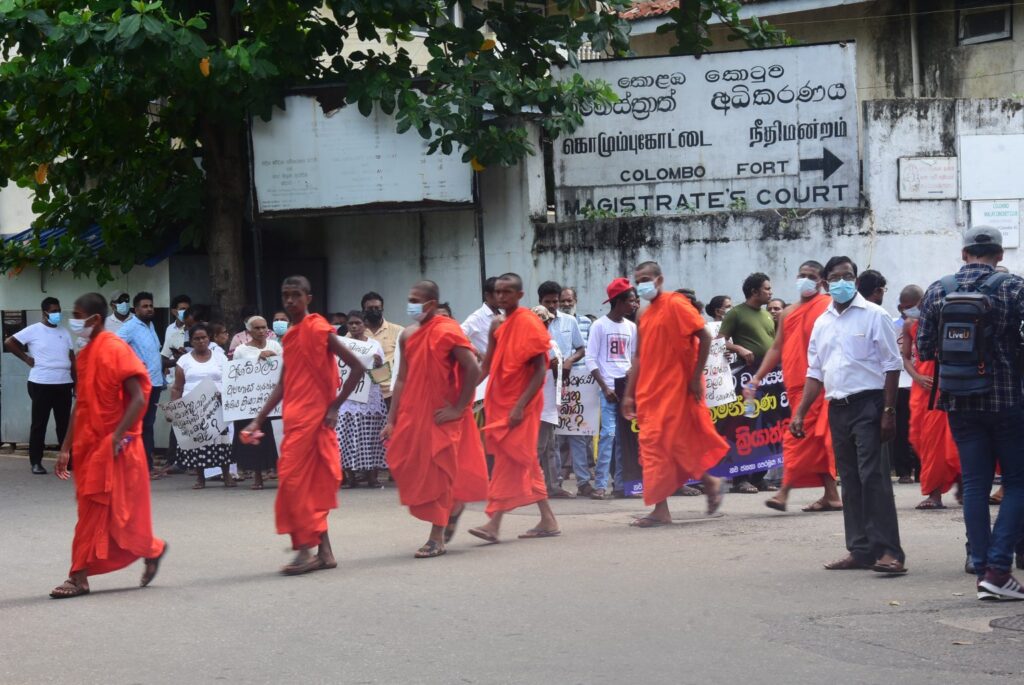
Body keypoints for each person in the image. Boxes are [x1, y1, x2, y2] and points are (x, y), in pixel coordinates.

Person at [916, 227, 1024, 599]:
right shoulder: (1013, 288)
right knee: (1017, 482)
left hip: (958, 399)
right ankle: (998, 569)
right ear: (999, 254)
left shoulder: (938, 289)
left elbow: (926, 349)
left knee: (975, 485)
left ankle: (982, 569)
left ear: (964, 254)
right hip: (1007, 398)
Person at [790, 256, 907, 575]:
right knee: (851, 480)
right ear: (825, 284)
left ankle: (889, 551)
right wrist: (801, 412)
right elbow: (815, 371)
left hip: (870, 404)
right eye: (836, 277)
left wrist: (888, 411)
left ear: (855, 280)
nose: (843, 282)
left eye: (849, 276)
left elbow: (891, 366)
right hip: (837, 407)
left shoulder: (874, 315)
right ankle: (860, 549)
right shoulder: (823, 322)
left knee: (874, 478)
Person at [244, 275, 365, 575]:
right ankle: (323, 553)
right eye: (285, 295)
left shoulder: (319, 329)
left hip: (315, 420)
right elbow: (284, 382)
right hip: (295, 420)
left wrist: (335, 406)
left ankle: (304, 552)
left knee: (296, 485)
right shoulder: (292, 335)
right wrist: (258, 418)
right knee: (302, 486)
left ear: (309, 298)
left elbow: (357, 366)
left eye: (296, 295)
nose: (289, 301)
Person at [48, 292, 166, 598]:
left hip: (116, 446)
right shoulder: (85, 355)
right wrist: (65, 447)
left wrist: (117, 436)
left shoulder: (115, 348)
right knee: (108, 515)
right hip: (90, 448)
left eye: (77, 314)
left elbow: (139, 397)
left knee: (105, 513)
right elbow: (81, 405)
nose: (73, 321)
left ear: (95, 319)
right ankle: (151, 549)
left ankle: (78, 577)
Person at [382, 281, 488, 558]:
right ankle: (453, 509)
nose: (411, 305)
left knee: (439, 473)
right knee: (410, 466)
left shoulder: (447, 330)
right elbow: (402, 378)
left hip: (443, 415)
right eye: (409, 299)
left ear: (431, 303)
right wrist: (392, 418)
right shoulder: (407, 334)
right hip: (415, 414)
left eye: (416, 300)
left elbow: (473, 367)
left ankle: (436, 537)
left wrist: (458, 407)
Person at [621, 261, 728, 526]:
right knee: (659, 447)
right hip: (650, 392)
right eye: (638, 279)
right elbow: (639, 356)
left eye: (646, 278)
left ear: (659, 279)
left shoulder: (676, 304)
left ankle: (663, 508)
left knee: (666, 444)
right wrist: (629, 394)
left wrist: (695, 377)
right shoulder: (644, 314)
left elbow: (704, 336)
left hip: (677, 388)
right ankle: (706, 484)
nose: (642, 284)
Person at [468, 273, 561, 542]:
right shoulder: (496, 324)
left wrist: (520, 406)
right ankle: (547, 519)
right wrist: (465, 396)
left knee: (514, 459)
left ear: (519, 295)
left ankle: (494, 523)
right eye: (497, 292)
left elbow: (539, 369)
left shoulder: (529, 322)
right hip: (500, 402)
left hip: (523, 405)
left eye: (507, 292)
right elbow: (487, 365)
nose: (501, 297)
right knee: (523, 460)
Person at [746, 261, 841, 513]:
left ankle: (783, 492)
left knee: (795, 438)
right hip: (795, 386)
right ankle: (831, 496)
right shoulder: (789, 312)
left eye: (811, 276)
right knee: (817, 443)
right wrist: (757, 378)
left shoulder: (828, 306)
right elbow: (777, 348)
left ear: (821, 282)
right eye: (802, 275)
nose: (805, 279)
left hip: (819, 384)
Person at [900, 292, 960, 510]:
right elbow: (905, 357)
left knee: (950, 439)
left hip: (948, 382)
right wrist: (917, 377)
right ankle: (941, 488)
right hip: (923, 386)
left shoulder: (951, 321)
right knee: (921, 438)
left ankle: (937, 493)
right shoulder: (910, 324)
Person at [719, 272, 776, 493]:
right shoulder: (735, 314)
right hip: (748, 382)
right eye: (767, 289)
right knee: (747, 426)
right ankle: (740, 478)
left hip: (771, 380)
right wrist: (739, 348)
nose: (771, 293)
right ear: (754, 291)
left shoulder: (767, 316)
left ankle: (759, 476)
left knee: (769, 426)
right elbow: (719, 342)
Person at [5, 297, 75, 475]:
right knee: (39, 424)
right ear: (44, 312)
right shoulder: (34, 330)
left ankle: (68, 460)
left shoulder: (64, 332)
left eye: (58, 310)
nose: (56, 314)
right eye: (53, 311)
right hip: (41, 382)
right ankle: (36, 462)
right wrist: (27, 358)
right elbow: (9, 342)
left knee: (64, 424)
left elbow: (72, 358)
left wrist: (77, 382)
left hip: (64, 383)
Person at [585, 278, 638, 500]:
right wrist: (604, 387)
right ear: (618, 302)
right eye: (631, 301)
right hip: (608, 386)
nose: (635, 305)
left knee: (625, 437)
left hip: (625, 386)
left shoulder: (632, 327)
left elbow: (634, 358)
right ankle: (599, 485)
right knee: (608, 434)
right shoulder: (599, 325)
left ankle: (621, 484)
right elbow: (590, 359)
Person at [538, 281, 589, 494]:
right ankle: (549, 483)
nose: (552, 306)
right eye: (547, 302)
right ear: (540, 301)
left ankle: (570, 483)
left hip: (567, 383)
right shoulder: (533, 321)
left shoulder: (569, 322)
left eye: (555, 301)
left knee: (573, 432)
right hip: (541, 384)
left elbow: (581, 349)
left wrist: (569, 361)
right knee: (547, 438)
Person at [169, 323, 233, 489]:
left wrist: (225, 395)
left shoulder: (220, 357)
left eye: (204, 337)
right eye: (196, 339)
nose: (201, 341)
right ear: (191, 341)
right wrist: (174, 409)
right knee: (198, 443)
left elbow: (230, 380)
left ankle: (226, 475)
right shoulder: (184, 360)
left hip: (217, 405)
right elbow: (177, 387)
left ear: (209, 338)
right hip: (194, 406)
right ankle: (200, 478)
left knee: (221, 440)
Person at [116, 292, 165, 476]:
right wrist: (132, 364)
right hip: (140, 384)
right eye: (145, 306)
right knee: (141, 425)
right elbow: (115, 347)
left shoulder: (150, 325)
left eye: (151, 306)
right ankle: (141, 466)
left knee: (148, 424)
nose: (149, 309)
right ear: (135, 309)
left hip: (155, 382)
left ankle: (147, 464)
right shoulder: (130, 327)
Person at [338, 310, 388, 489]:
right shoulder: (340, 344)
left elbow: (382, 377)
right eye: (351, 323)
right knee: (346, 438)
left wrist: (378, 364)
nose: (354, 326)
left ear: (364, 325)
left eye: (358, 323)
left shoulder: (374, 346)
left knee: (372, 438)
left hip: (370, 399)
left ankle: (372, 477)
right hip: (348, 400)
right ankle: (350, 476)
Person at [232, 316, 283, 490]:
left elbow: (283, 367)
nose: (261, 331)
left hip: (273, 399)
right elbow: (236, 375)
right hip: (251, 401)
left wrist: (274, 357)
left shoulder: (275, 346)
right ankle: (257, 476)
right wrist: (256, 360)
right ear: (248, 331)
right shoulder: (241, 350)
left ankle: (279, 473)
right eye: (257, 328)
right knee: (255, 439)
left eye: (264, 327)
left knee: (275, 438)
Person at [531, 305, 566, 498]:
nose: (545, 324)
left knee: (550, 445)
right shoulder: (531, 343)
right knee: (539, 447)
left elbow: (560, 369)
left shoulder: (550, 343)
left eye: (546, 321)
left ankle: (552, 485)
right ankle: (531, 486)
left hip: (550, 400)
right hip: (538, 401)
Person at [361, 291, 403, 404]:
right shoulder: (353, 334)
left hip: (389, 393)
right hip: (362, 393)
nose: (374, 311)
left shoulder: (398, 331)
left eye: (377, 308)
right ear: (363, 310)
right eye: (370, 308)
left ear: (382, 309)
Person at [461, 277, 499, 359]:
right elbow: (459, 334)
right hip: (489, 369)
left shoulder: (503, 314)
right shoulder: (477, 317)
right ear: (487, 295)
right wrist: (477, 353)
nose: (502, 296)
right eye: (498, 293)